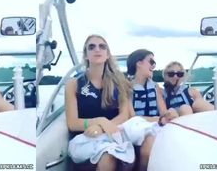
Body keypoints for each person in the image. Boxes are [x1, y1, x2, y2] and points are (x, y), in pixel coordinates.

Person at [65, 35, 132, 171]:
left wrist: (102, 127)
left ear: (107, 55)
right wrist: (99, 121)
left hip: (112, 134)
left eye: (102, 46)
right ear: (86, 55)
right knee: (108, 156)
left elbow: (124, 116)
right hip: (85, 139)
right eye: (92, 47)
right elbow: (72, 123)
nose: (97, 49)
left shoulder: (119, 82)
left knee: (111, 154)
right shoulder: (74, 84)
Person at [127, 49, 178, 170]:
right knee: (149, 145)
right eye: (151, 62)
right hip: (136, 127)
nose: (153, 66)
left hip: (156, 125)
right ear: (139, 63)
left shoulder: (154, 86)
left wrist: (170, 114)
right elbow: (130, 117)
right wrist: (157, 120)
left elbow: (163, 111)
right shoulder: (127, 87)